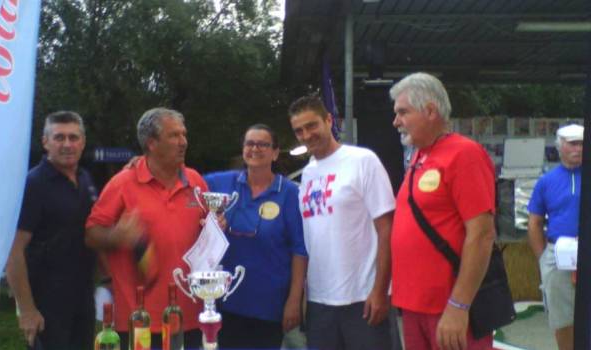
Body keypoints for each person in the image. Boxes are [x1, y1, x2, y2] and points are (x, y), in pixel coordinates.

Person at [390, 72, 496, 350]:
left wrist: (459, 305)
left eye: (403, 112)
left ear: (430, 110)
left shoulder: (464, 154)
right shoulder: (420, 156)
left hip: (449, 308)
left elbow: (482, 234)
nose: (396, 122)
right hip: (415, 306)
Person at [85, 107, 206, 350]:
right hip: (140, 320)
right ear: (151, 143)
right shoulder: (122, 183)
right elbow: (91, 234)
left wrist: (216, 225)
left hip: (191, 317)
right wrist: (116, 236)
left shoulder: (195, 181)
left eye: (184, 134)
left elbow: (207, 230)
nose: (183, 142)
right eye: (174, 136)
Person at [288, 96, 396, 350]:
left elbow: (387, 229)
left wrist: (380, 291)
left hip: (362, 298)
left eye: (312, 125)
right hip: (320, 302)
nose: (306, 135)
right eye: (299, 130)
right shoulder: (309, 173)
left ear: (329, 120)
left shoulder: (363, 161)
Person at [204, 124, 308, 349]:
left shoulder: (289, 193)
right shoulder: (223, 183)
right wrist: (140, 162)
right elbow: (185, 181)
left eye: (263, 144)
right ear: (243, 149)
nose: (255, 149)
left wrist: (294, 300)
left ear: (275, 152)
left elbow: (299, 251)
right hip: (227, 302)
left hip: (269, 305)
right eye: (250, 143)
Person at [6, 111, 97, 350]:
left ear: (83, 142)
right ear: (45, 142)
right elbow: (13, 250)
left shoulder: (85, 178)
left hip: (83, 298)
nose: (67, 144)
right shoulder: (34, 184)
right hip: (47, 305)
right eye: (59, 137)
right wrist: (27, 310)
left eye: (73, 137)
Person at [527, 124, 583, 350]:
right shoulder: (546, 181)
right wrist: (543, 257)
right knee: (562, 317)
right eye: (573, 143)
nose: (578, 148)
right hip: (557, 254)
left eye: (582, 143)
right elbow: (535, 222)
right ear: (560, 147)